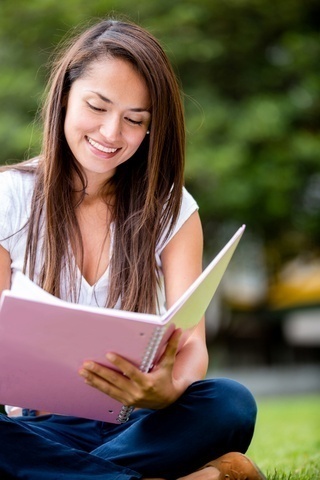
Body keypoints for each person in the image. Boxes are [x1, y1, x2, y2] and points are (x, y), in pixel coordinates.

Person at [0, 17, 266, 480]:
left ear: (151, 129)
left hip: (137, 424)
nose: (110, 133)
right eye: (97, 106)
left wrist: (165, 391)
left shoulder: (173, 209)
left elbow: (192, 349)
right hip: (36, 430)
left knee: (229, 403)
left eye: (134, 120)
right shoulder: (8, 197)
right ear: (65, 96)